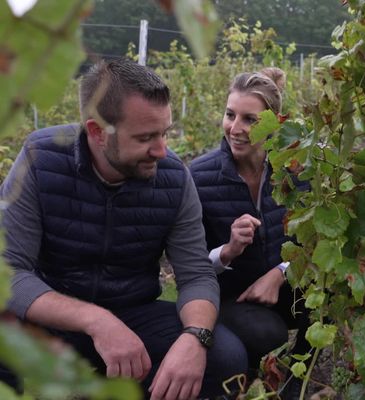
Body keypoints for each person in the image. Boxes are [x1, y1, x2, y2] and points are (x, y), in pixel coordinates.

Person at [0, 58, 247, 400]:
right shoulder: (41, 159)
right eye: (146, 137)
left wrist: (195, 336)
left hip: (133, 311)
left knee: (225, 358)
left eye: (165, 132)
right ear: (98, 132)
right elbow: (10, 271)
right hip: (52, 309)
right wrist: (96, 320)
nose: (162, 150)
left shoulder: (174, 178)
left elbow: (196, 275)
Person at [189, 68, 310, 398]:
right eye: (230, 115)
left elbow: (312, 239)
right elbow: (188, 264)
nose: (235, 128)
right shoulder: (199, 177)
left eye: (250, 120)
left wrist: (279, 272)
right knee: (265, 332)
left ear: (275, 123)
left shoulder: (296, 172)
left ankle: (298, 379)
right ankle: (252, 376)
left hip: (283, 286)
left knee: (324, 301)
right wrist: (227, 251)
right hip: (229, 295)